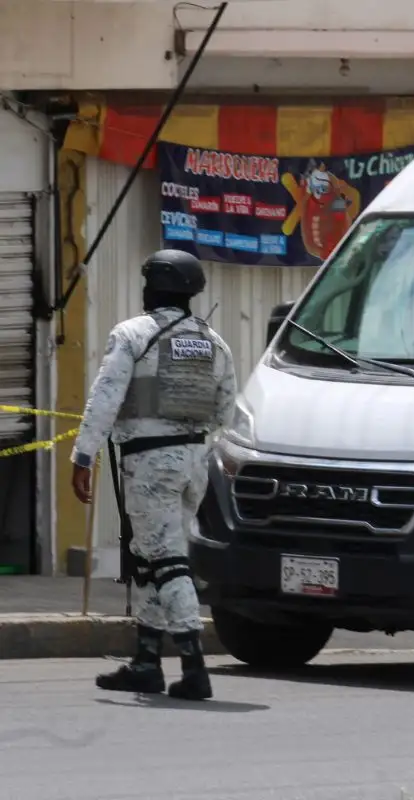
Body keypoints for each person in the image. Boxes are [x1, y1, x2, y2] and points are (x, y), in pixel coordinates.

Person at [70, 249, 237, 701]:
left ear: (152, 286)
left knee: (165, 560)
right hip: (193, 464)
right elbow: (226, 410)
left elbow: (105, 397)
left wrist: (83, 456)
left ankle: (193, 664)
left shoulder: (133, 334)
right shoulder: (214, 342)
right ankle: (146, 662)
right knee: (148, 558)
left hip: (149, 464)